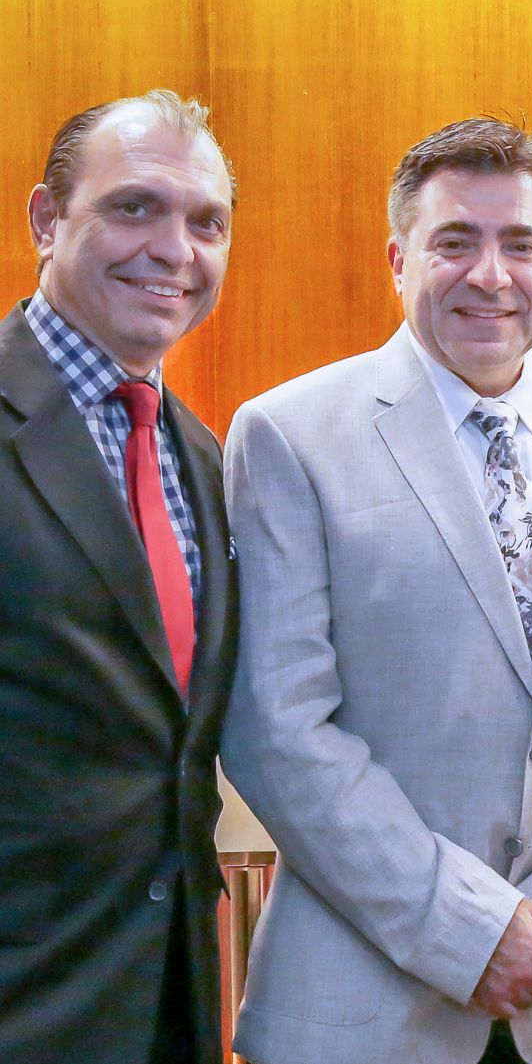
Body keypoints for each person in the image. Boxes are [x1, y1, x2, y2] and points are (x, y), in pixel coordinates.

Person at [220, 118, 532, 1064]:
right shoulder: (289, 434)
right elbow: (279, 724)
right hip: (369, 1003)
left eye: (520, 244)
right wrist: (469, 929)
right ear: (399, 258)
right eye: (456, 241)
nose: (491, 274)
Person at [0, 89, 237, 1064]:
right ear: (47, 220)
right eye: (134, 206)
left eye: (206, 221)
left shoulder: (208, 459)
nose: (175, 249)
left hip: (167, 997)